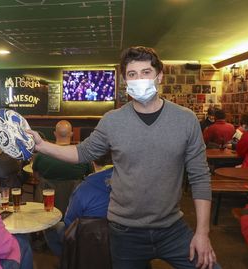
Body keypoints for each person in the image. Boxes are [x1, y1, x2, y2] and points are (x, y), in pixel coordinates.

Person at [27, 46, 219, 268]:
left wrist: (203, 233)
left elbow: (200, 177)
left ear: (159, 76)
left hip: (172, 227)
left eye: (146, 72)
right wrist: (41, 145)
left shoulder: (186, 120)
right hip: (124, 231)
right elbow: (81, 152)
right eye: (132, 74)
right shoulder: (112, 120)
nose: (140, 79)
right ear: (125, 81)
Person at [44, 152, 113, 256]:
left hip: (85, 240)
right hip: (117, 239)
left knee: (50, 228)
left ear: (92, 161)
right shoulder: (128, 182)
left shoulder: (84, 189)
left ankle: (68, 261)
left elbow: (70, 222)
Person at [32, 120, 93, 215]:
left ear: (55, 134)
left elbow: (35, 175)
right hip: (74, 204)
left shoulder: (41, 155)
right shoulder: (81, 156)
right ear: (72, 134)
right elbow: (90, 176)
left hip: (47, 204)